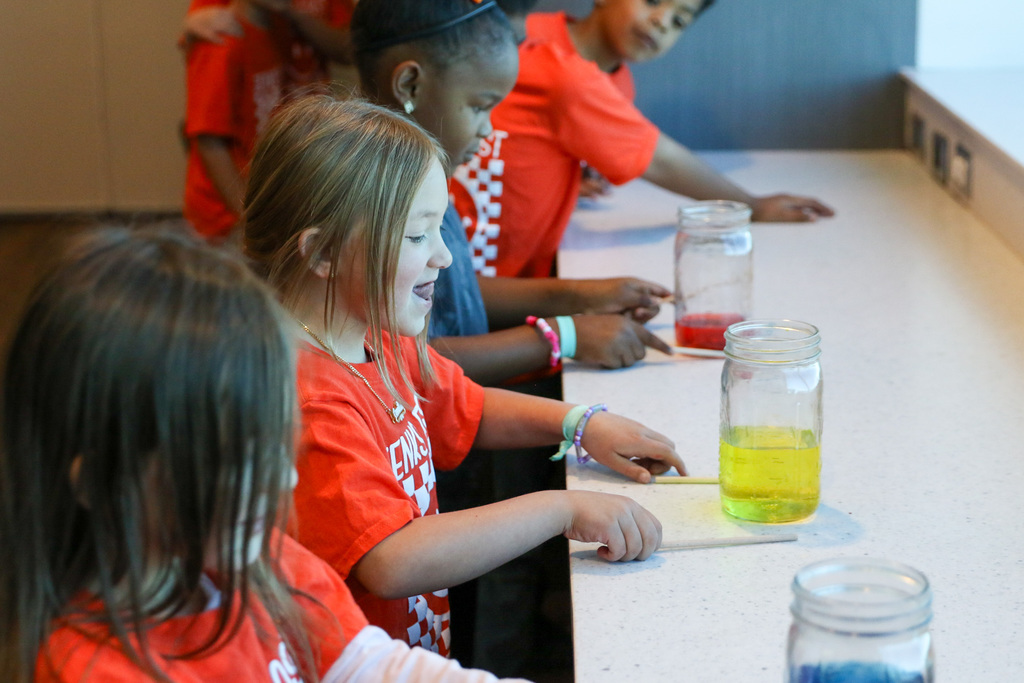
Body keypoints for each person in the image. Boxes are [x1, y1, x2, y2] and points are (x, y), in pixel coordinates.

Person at [242, 94, 688, 658]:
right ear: (323, 252)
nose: (445, 258)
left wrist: (580, 423)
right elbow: (392, 558)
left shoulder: (371, 333)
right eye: (416, 236)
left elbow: (466, 407)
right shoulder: (308, 398)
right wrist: (561, 507)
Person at [0, 227, 531, 682]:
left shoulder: (264, 559)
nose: (278, 476)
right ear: (101, 480)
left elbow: (370, 664)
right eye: (230, 460)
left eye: (274, 444)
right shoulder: (93, 668)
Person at [352, 0, 672, 386]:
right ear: (409, 85)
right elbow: (405, 366)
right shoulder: (376, 201)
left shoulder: (419, 174)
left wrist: (579, 296)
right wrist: (561, 336)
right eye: (479, 106)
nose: (488, 130)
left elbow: (454, 292)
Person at [452, 0, 836, 280]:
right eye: (652, 1)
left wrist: (562, 179)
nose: (661, 21)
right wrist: (749, 205)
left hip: (499, 268)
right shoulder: (546, 59)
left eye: (679, 19)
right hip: (475, 270)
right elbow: (659, 158)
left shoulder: (612, 81)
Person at [182, 0, 353, 241]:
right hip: (225, 218)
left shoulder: (279, 30)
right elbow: (210, 143)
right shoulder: (221, 40)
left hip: (260, 200)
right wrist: (251, 217)